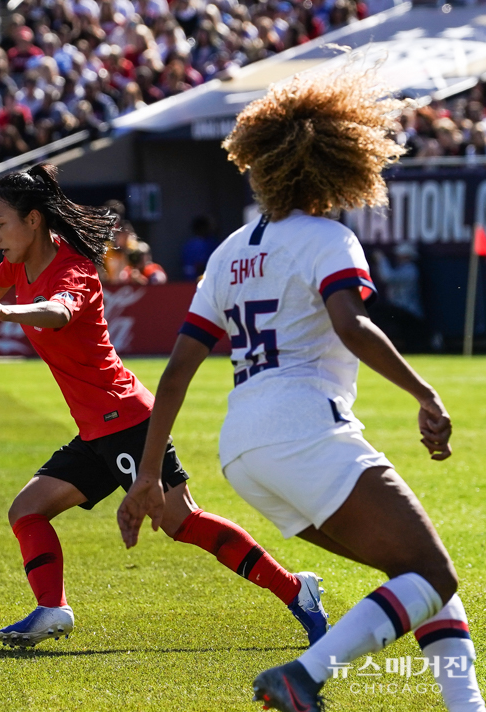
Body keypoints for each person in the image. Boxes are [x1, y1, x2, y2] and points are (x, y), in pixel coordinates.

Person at [118, 69, 483, 712]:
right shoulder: (328, 238)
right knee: (430, 573)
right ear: (336, 164)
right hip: (305, 431)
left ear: (261, 166)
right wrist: (425, 393)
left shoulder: (227, 253)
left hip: (243, 452)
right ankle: (304, 675)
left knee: (421, 577)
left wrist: (149, 475)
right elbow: (352, 325)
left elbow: (175, 373)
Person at [0, 164, 328, 650]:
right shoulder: (17, 263)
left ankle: (297, 590)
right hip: (95, 432)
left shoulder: (72, 268)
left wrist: (10, 311)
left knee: (182, 522)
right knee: (27, 511)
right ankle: (53, 609)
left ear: (33, 220)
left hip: (128, 421)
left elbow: (58, 312)